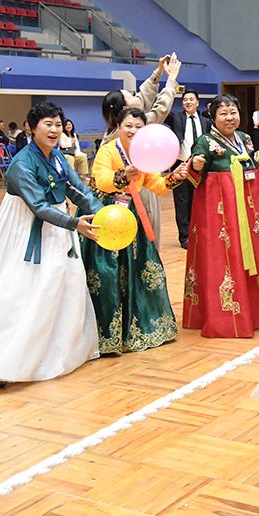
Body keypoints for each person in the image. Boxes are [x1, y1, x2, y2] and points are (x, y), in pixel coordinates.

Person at [0, 101, 102, 385]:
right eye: (48, 124)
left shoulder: (58, 157)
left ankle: (58, 350)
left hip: (59, 226)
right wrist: (75, 223)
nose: (54, 130)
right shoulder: (21, 163)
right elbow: (37, 205)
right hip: (25, 230)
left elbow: (78, 189)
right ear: (31, 128)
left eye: (58, 124)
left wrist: (101, 211)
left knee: (64, 282)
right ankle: (5, 359)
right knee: (23, 286)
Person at [80, 108, 182, 354]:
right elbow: (100, 178)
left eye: (138, 127)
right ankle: (105, 333)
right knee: (105, 273)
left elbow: (155, 184)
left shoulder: (144, 153)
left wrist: (175, 177)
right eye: (129, 125)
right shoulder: (107, 150)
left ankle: (138, 327)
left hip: (130, 216)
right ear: (119, 126)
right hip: (104, 213)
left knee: (140, 270)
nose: (133, 131)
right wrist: (122, 176)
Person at [184, 93, 259, 338]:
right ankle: (226, 319)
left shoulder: (245, 138)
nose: (230, 118)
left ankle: (255, 313)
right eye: (223, 114)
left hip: (247, 212)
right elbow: (195, 173)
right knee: (225, 258)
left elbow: (254, 166)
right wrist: (194, 164)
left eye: (233, 112)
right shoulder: (205, 141)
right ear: (213, 117)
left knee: (251, 255)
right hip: (221, 217)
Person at [100, 52, 182, 249]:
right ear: (123, 112)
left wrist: (158, 72)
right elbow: (159, 110)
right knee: (145, 241)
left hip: (143, 185)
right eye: (129, 96)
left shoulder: (125, 125)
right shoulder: (133, 131)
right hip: (134, 193)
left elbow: (144, 96)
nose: (135, 96)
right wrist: (171, 81)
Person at [165, 89, 212, 249]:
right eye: (185, 100)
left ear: (198, 102)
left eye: (191, 99)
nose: (188, 102)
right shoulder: (176, 118)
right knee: (182, 203)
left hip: (200, 168)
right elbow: (163, 110)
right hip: (181, 166)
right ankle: (185, 238)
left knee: (200, 202)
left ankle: (200, 233)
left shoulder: (206, 121)